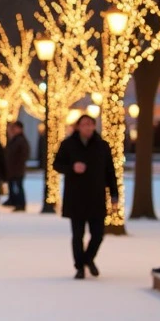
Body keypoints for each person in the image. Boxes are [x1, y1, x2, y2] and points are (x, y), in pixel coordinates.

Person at [53, 114, 118, 279]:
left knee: (98, 234)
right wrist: (72, 168)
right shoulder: (68, 144)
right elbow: (57, 164)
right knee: (77, 235)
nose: (87, 127)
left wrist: (114, 194)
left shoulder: (102, 146)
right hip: (76, 196)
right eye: (84, 124)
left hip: (96, 196)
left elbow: (110, 171)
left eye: (90, 124)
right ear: (78, 127)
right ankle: (79, 266)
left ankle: (87, 259)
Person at [3, 121, 30, 211]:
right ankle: (14, 200)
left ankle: (20, 204)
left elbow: (23, 155)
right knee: (14, 185)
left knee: (18, 186)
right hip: (13, 168)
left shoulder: (20, 140)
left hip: (17, 168)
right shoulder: (14, 139)